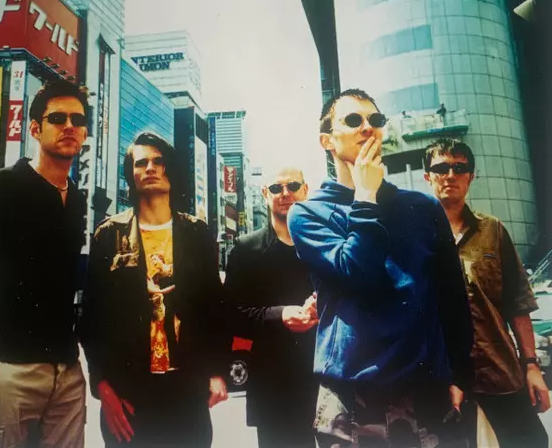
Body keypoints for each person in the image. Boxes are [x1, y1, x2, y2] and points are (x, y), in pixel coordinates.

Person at [288, 88, 474, 448]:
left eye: (375, 119)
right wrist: (365, 196)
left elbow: (451, 298)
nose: (367, 127)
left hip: (426, 389)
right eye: (352, 120)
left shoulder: (422, 207)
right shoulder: (307, 213)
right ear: (327, 140)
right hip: (351, 397)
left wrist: (460, 375)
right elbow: (359, 273)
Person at [0, 79, 89, 448]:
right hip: (6, 370)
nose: (69, 126)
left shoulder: (77, 200)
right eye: (57, 118)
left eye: (78, 119)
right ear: (34, 128)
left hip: (68, 376)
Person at [80, 132, 228, 448]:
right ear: (130, 174)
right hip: (129, 394)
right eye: (141, 163)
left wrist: (217, 372)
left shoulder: (196, 233)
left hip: (187, 391)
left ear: (170, 170)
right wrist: (103, 389)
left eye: (158, 161)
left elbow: (215, 309)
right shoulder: (109, 234)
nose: (150, 168)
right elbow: (91, 320)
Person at [423, 138, 549, 448]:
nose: (450, 175)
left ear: (471, 176)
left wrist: (531, 365)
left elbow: (518, 303)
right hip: (443, 382)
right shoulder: (415, 236)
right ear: (427, 176)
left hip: (499, 372)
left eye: (459, 168)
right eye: (440, 168)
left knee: (532, 441)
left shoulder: (493, 230)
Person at [224, 166, 318, 448]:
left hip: (325, 377)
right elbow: (230, 313)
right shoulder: (246, 249)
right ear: (265, 194)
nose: (285, 193)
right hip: (273, 383)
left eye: (293, 186)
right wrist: (280, 314)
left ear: (305, 190)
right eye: (276, 188)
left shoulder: (323, 243)